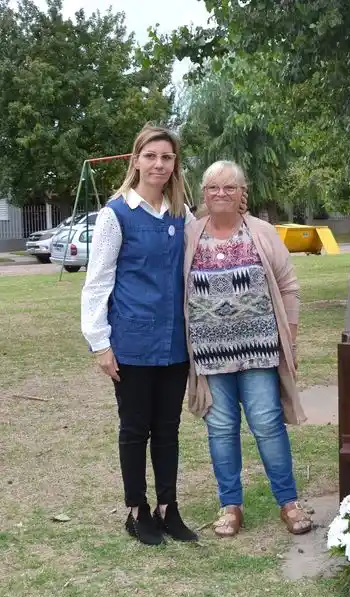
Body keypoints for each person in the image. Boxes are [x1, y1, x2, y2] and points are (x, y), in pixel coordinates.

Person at [81, 125, 198, 545]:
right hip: (131, 343)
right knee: (135, 429)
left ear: (174, 165)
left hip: (174, 343)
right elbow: (97, 283)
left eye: (167, 158)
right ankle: (137, 510)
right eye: (151, 156)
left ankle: (168, 507)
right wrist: (100, 343)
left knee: (168, 429)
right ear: (136, 160)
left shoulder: (183, 214)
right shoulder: (116, 214)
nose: (159, 164)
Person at [183, 160, 312, 538]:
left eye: (229, 187)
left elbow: (289, 287)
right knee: (221, 430)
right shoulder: (190, 235)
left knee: (268, 425)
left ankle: (288, 502)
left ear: (243, 193)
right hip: (209, 357)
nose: (220, 194)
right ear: (202, 193)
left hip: (259, 353)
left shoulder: (262, 232)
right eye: (212, 188)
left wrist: (289, 337)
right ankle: (231, 505)